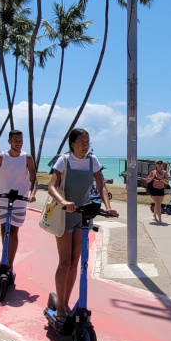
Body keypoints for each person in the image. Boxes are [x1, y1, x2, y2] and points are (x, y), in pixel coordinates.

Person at [46, 129, 117, 320]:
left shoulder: (92, 160)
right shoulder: (64, 160)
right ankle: (60, 306)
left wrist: (108, 207)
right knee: (65, 261)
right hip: (65, 214)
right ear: (72, 144)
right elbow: (51, 186)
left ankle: (66, 303)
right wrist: (63, 201)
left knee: (76, 262)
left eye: (87, 142)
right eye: (81, 142)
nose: (85, 146)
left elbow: (101, 186)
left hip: (82, 214)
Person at [0, 130, 38, 272]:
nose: (18, 143)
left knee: (13, 232)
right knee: (4, 230)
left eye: (20, 141)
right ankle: (4, 262)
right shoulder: (1, 157)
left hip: (20, 201)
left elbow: (34, 179)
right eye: (15, 141)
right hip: (3, 200)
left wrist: (32, 194)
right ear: (9, 142)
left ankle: (10, 265)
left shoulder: (27, 158)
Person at [146, 160, 170, 225]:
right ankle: (160, 219)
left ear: (162, 164)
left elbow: (167, 182)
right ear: (155, 164)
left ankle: (154, 215)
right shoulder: (153, 172)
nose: (159, 164)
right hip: (154, 190)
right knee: (158, 204)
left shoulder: (164, 173)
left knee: (158, 204)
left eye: (160, 163)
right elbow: (147, 180)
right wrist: (153, 177)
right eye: (158, 163)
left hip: (161, 189)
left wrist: (162, 178)